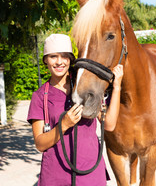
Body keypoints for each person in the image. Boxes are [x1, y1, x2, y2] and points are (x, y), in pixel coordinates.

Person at [27, 33, 123, 186]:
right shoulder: (39, 97)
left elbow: (109, 124)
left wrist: (117, 87)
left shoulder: (85, 87)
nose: (59, 62)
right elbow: (40, 144)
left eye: (64, 56)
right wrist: (64, 124)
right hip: (55, 176)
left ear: (70, 59)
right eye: (53, 56)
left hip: (90, 174)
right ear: (45, 59)